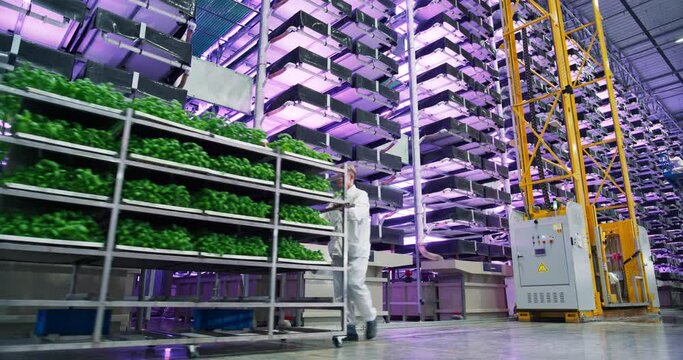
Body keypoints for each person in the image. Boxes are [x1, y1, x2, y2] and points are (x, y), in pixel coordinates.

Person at [322, 164, 377, 341]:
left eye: (340, 176)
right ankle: (349, 327)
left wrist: (341, 206)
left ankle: (370, 318)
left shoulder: (361, 195)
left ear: (351, 177)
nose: (337, 179)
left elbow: (356, 214)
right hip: (338, 252)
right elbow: (323, 220)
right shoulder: (334, 199)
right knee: (340, 293)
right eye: (335, 177)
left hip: (356, 250)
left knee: (354, 284)